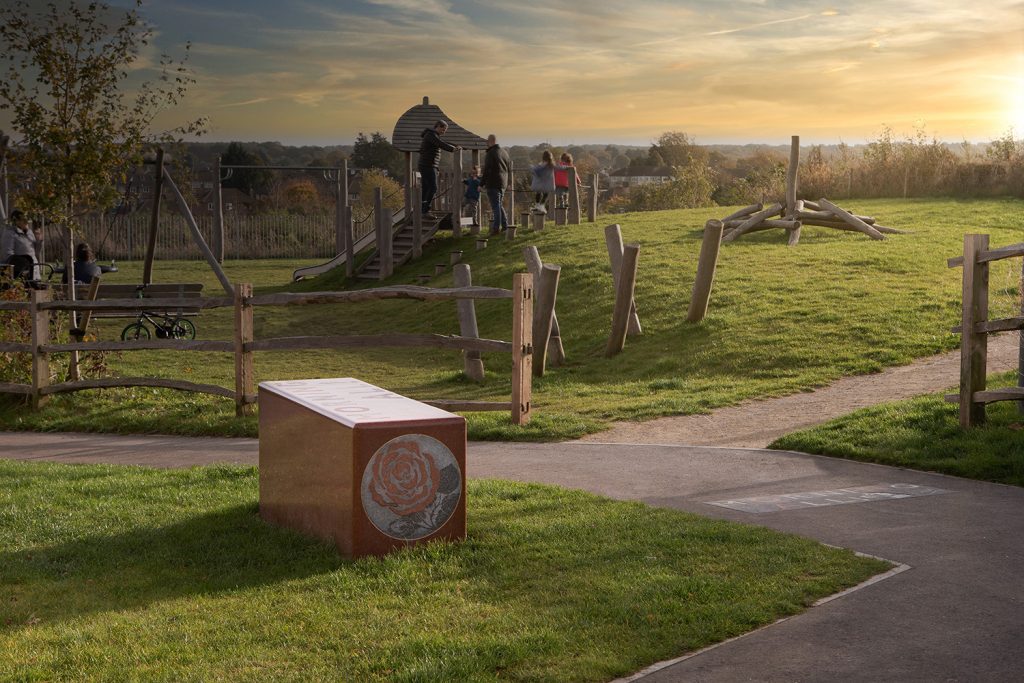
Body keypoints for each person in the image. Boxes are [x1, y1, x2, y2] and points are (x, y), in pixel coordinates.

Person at [417, 120, 461, 214]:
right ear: (438, 126)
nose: (444, 132)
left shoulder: (433, 135)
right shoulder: (430, 135)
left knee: (426, 187)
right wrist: (453, 149)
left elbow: (443, 142)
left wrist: (455, 145)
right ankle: (425, 209)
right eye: (443, 129)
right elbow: (440, 144)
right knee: (433, 188)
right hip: (427, 165)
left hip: (428, 165)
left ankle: (423, 209)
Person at [480, 134, 512, 235]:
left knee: (495, 206)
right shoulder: (505, 152)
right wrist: (509, 183)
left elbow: (487, 170)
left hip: (493, 183)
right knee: (498, 205)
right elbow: (509, 170)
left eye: (487, 142)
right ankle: (505, 226)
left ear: (489, 141)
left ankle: (496, 228)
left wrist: (481, 184)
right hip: (503, 183)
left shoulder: (490, 153)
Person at [1, 209, 43, 280]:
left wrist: (39, 240)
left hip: (34, 270)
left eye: (27, 220)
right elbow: (7, 255)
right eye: (24, 220)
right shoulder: (10, 233)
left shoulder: (29, 232)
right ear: (16, 221)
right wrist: (20, 267)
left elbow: (36, 252)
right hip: (20, 272)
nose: (27, 222)